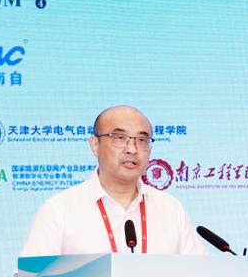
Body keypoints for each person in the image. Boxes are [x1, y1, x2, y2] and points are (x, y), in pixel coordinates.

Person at [20, 105, 204, 256]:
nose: (132, 149)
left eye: (142, 140)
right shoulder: (59, 209)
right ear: (95, 145)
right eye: (120, 138)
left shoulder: (171, 209)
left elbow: (197, 276)